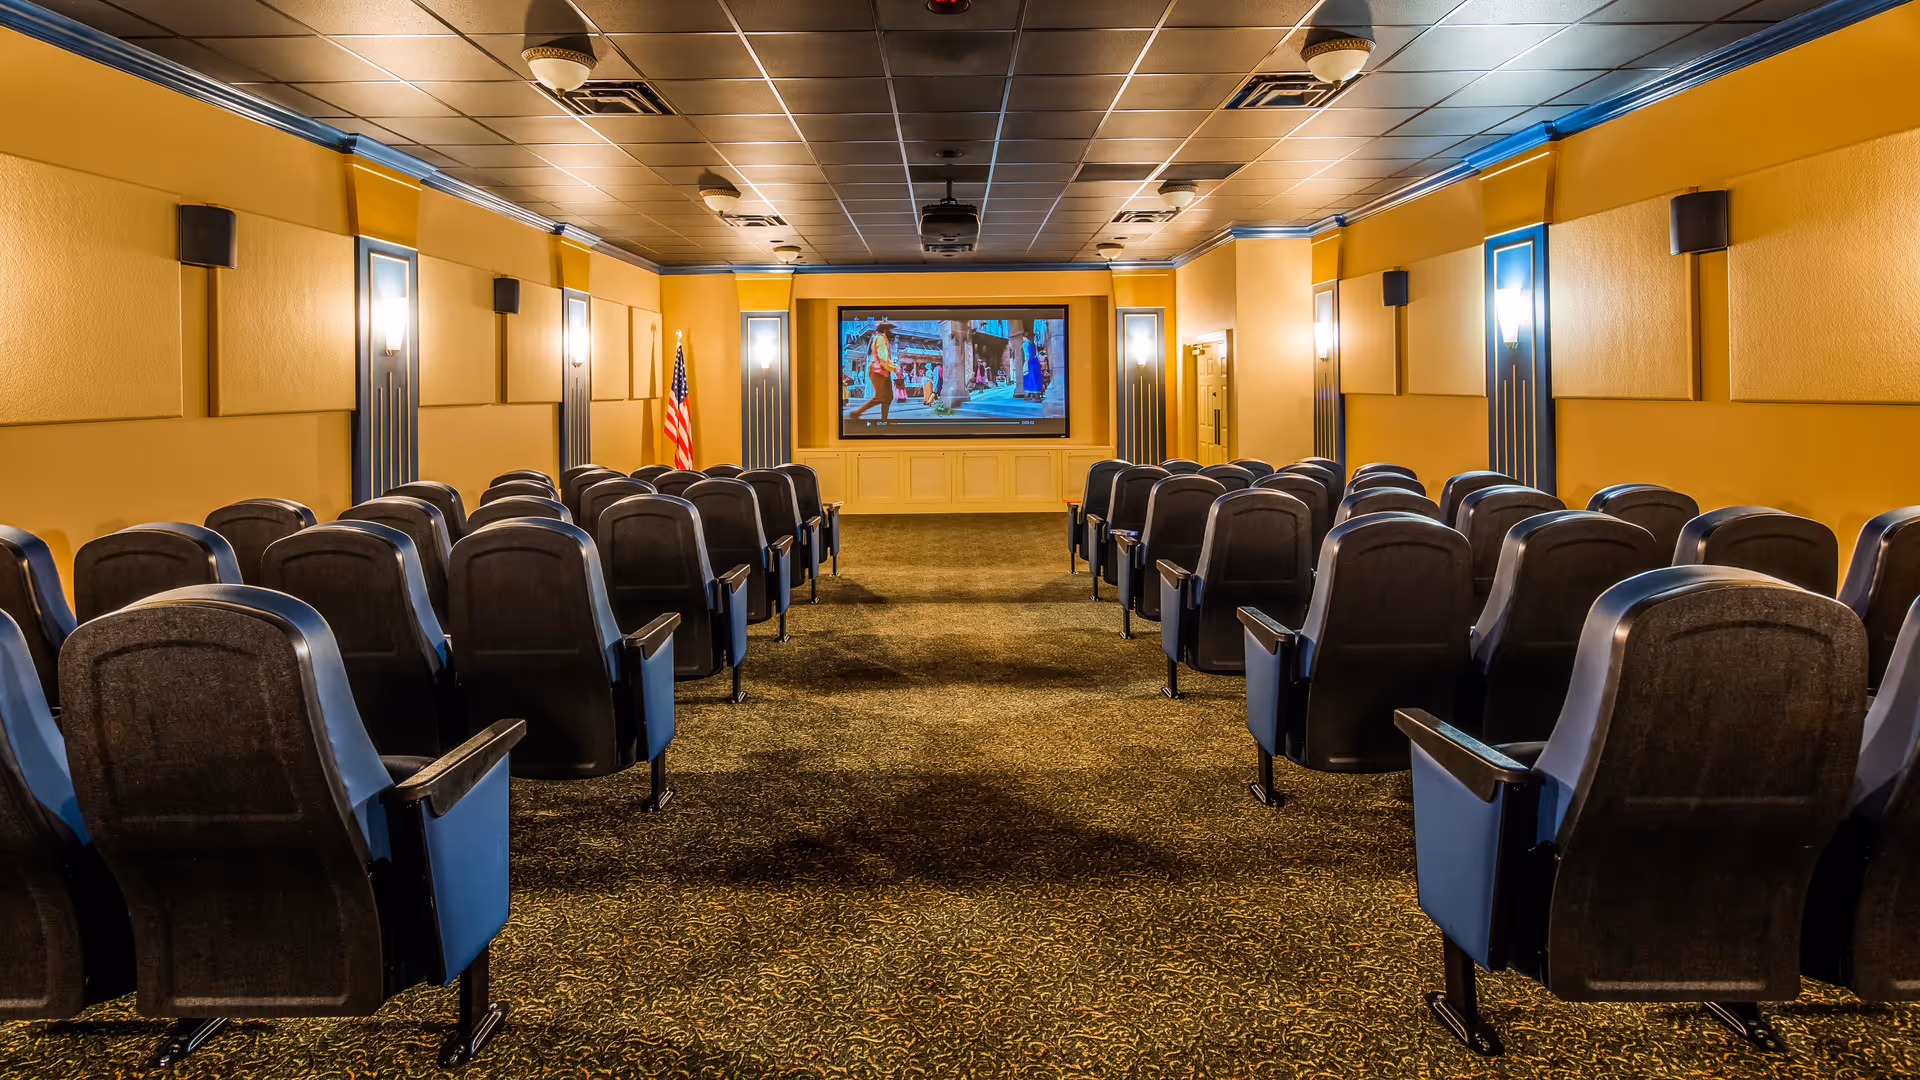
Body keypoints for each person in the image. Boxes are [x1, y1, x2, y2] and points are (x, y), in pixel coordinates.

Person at [848, 320, 898, 422]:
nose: (891, 330)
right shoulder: (880, 338)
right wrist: (895, 368)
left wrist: (892, 368)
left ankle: (884, 421)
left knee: (888, 397)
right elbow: (883, 358)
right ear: (885, 329)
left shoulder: (884, 339)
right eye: (890, 328)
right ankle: (856, 412)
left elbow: (885, 359)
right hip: (877, 371)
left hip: (884, 371)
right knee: (880, 396)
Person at [1020, 332, 1044, 400]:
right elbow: (1037, 354)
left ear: (1024, 337)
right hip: (1035, 362)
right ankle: (1036, 396)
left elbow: (1027, 355)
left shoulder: (1025, 344)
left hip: (1030, 362)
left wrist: (1026, 364)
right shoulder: (1034, 344)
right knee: (1036, 377)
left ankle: (1028, 395)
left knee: (1029, 377)